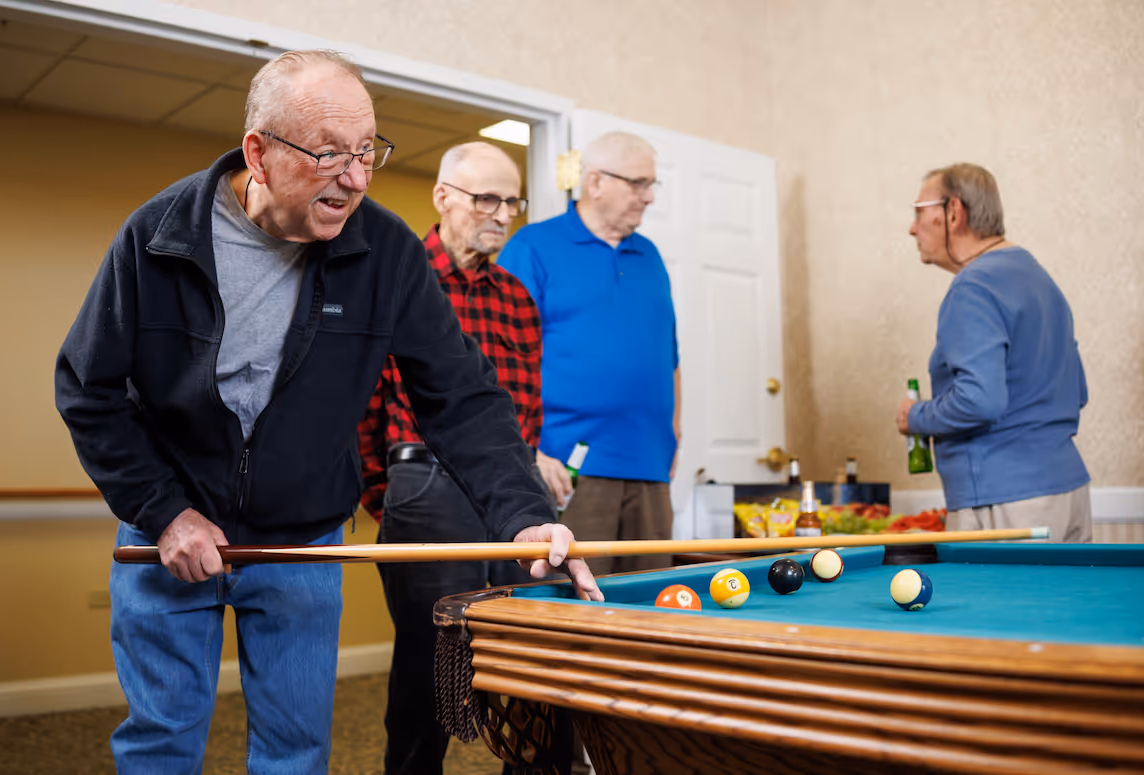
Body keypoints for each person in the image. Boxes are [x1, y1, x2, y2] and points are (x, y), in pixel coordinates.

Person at [54, 49, 601, 774]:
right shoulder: (158, 236)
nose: (355, 177)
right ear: (260, 152)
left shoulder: (386, 254)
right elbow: (88, 387)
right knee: (160, 741)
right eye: (329, 154)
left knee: (297, 751)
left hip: (303, 536)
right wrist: (164, 511)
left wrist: (522, 514)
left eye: (367, 151)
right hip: (168, 533)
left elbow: (461, 398)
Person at [356, 142, 559, 775]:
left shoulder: (517, 297)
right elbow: (361, 403)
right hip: (425, 487)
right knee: (430, 667)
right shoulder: (397, 276)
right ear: (443, 197)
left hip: (512, 491)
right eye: (486, 198)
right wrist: (388, 493)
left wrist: (527, 479)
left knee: (531, 656)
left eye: (512, 202)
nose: (501, 214)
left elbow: (524, 403)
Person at [499, 131, 681, 579]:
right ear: (596, 182)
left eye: (652, 184)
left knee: (652, 610)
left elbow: (669, 353)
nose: (650, 197)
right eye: (639, 183)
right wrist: (529, 451)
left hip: (651, 466)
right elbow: (498, 361)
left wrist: (674, 431)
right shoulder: (532, 248)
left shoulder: (650, 256)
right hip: (568, 466)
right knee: (570, 610)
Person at [897, 162, 1091, 542]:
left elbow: (979, 401)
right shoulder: (1039, 279)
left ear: (954, 212)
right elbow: (1078, 392)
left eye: (920, 212)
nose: (912, 227)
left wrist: (915, 417)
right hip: (1070, 492)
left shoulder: (973, 286)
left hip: (1006, 502)